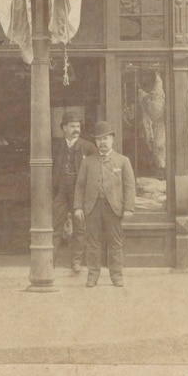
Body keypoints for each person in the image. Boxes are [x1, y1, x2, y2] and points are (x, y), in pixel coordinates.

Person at [73, 121, 135, 288]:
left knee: (115, 242)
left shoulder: (122, 161)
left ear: (112, 139)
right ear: (95, 141)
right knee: (92, 242)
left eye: (105, 138)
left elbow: (129, 186)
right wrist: (78, 207)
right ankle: (93, 276)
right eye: (99, 139)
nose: (102, 142)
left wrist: (128, 208)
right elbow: (80, 186)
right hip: (92, 207)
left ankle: (117, 276)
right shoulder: (88, 162)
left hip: (113, 207)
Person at [52, 111, 97, 273]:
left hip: (79, 193)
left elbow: (95, 169)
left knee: (79, 227)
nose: (76, 129)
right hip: (60, 191)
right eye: (72, 126)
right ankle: (50, 262)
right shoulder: (55, 146)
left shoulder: (88, 147)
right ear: (64, 128)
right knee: (54, 226)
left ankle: (76, 262)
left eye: (78, 126)